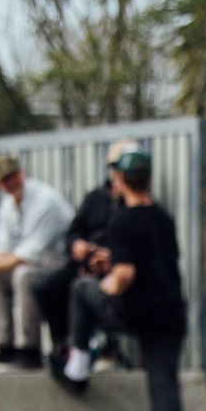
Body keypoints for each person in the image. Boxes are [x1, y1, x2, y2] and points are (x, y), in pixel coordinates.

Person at [58, 147, 190, 411]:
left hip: (134, 311)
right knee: (164, 383)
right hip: (169, 311)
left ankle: (78, 366)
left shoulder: (122, 220)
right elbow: (153, 257)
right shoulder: (163, 217)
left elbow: (126, 275)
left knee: (81, 289)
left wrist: (107, 283)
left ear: (119, 179)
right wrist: (113, 258)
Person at [35, 138, 135, 373]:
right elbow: (74, 230)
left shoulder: (134, 204)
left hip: (112, 268)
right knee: (45, 288)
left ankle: (97, 350)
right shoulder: (95, 197)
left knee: (85, 289)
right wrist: (77, 245)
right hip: (83, 263)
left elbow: (135, 250)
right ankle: (63, 345)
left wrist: (110, 258)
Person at [0, 153, 72, 369]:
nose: (11, 182)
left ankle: (29, 348)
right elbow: (3, 250)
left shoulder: (45, 200)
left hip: (58, 261)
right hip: (30, 260)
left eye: (13, 176)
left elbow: (29, 254)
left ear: (22, 173)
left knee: (23, 275)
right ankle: (2, 345)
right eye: (5, 179)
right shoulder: (7, 206)